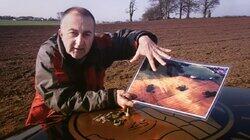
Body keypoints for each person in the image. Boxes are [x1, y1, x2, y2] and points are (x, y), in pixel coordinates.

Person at [25, 7, 171, 126]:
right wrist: (111, 98)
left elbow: (124, 38)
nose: (79, 42)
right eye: (73, 33)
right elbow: (61, 99)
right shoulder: (50, 54)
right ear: (61, 33)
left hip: (92, 115)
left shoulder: (99, 45)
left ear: (94, 35)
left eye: (87, 34)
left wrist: (142, 38)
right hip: (52, 121)